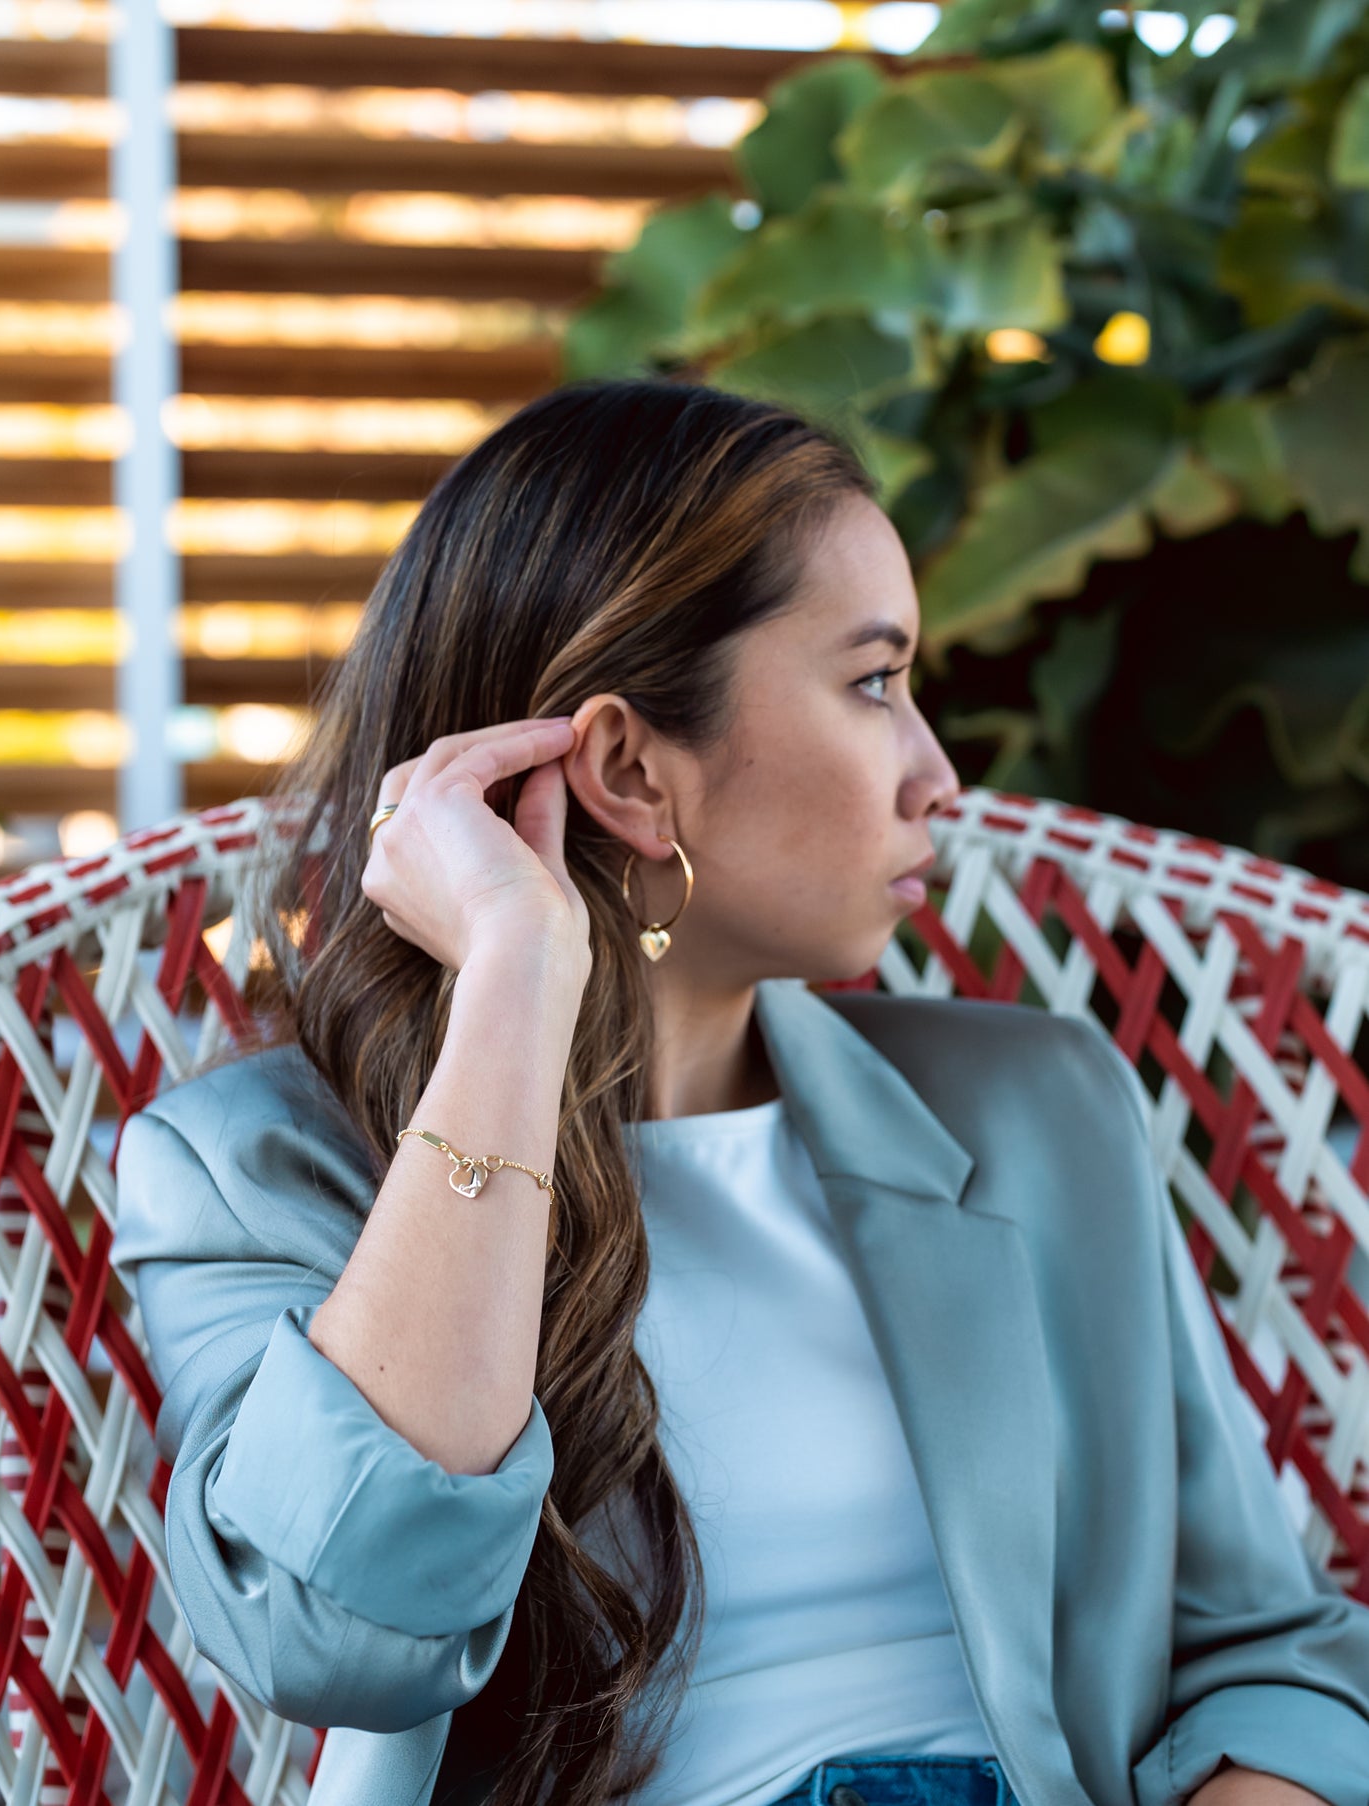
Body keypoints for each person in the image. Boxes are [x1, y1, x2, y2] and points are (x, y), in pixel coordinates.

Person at [110, 377, 1369, 1806]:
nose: (937, 776)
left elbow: (1275, 1653)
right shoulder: (256, 1168)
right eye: (873, 681)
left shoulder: (1035, 1111)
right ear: (631, 769)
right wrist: (518, 982)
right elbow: (338, 1636)